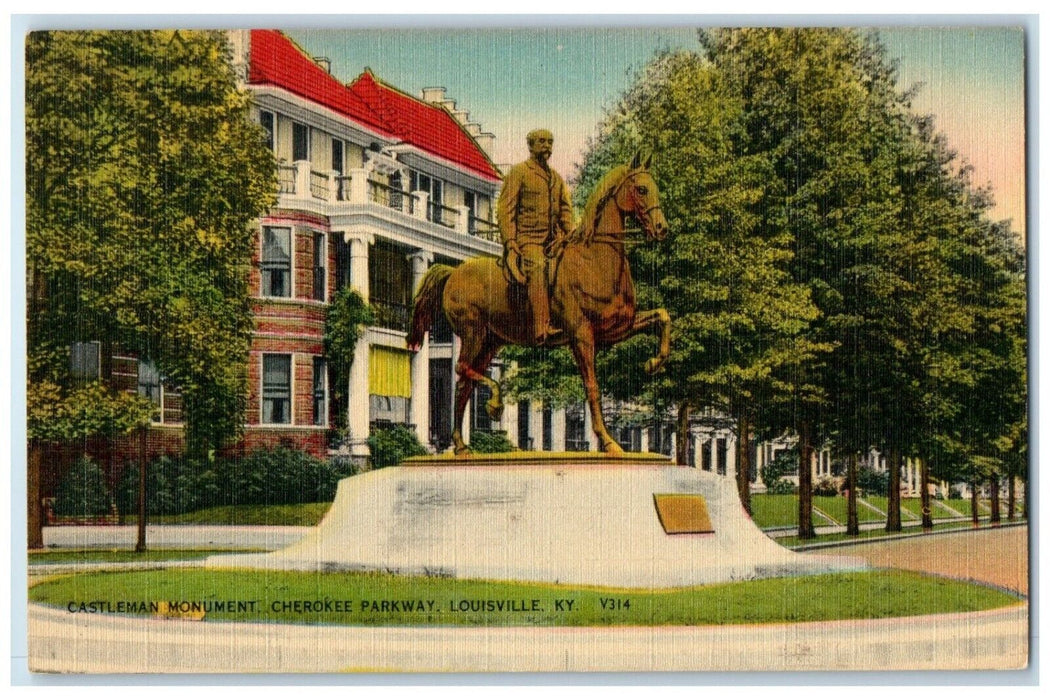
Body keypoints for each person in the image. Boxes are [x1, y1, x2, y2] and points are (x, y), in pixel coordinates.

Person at [497, 128, 575, 344]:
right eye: (542, 142)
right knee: (539, 265)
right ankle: (542, 327)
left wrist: (572, 234)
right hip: (528, 241)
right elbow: (506, 210)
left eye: (550, 142)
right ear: (530, 145)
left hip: (554, 241)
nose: (547, 146)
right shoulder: (519, 172)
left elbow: (565, 211)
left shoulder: (556, 179)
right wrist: (511, 242)